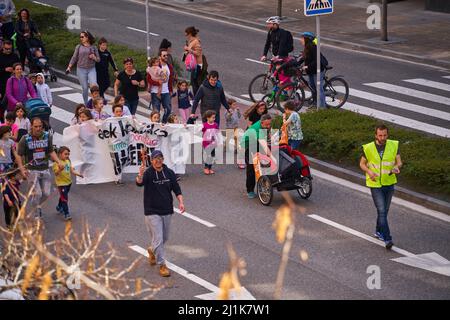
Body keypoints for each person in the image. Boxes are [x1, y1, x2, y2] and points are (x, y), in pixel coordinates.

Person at [136, 149, 185, 277]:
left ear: (163, 159)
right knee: (158, 238)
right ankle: (162, 265)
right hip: (152, 211)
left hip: (167, 209)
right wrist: (140, 175)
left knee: (164, 238)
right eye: (155, 159)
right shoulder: (148, 173)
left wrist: (181, 202)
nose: (158, 160)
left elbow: (176, 189)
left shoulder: (169, 173)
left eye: (160, 158)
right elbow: (139, 183)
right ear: (151, 161)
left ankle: (152, 250)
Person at [360, 125, 402, 250]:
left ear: (387, 135)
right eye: (380, 135)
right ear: (376, 135)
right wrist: (369, 172)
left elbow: (399, 161)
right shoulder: (368, 148)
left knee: (385, 211)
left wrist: (397, 167)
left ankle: (378, 231)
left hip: (389, 183)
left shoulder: (394, 145)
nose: (382, 137)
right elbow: (362, 164)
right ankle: (387, 238)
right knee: (382, 210)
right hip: (375, 184)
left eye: (384, 135)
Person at [18, 117, 63, 219]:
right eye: (36, 126)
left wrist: (59, 161)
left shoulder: (47, 136)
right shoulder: (25, 139)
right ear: (31, 126)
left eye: (40, 126)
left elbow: (51, 151)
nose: (38, 129)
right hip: (32, 170)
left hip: (45, 169)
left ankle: (37, 205)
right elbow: (18, 154)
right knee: (37, 193)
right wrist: (21, 169)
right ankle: (36, 212)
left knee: (46, 194)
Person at [240, 114, 273, 198]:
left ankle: (264, 185)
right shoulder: (256, 129)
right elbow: (264, 145)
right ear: (261, 123)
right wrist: (272, 156)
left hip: (257, 142)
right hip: (249, 145)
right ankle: (250, 190)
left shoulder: (264, 124)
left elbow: (268, 139)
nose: (268, 126)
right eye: (267, 125)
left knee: (265, 165)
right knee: (252, 168)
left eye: (270, 124)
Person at [66, 31, 100, 104]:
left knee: (94, 85)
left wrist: (94, 57)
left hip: (91, 69)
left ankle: (96, 102)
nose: (81, 38)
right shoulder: (79, 46)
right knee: (85, 88)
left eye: (82, 37)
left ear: (87, 37)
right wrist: (69, 67)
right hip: (81, 70)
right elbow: (74, 57)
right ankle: (86, 103)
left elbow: (98, 59)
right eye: (80, 37)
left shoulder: (93, 47)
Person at [53, 146, 83, 221]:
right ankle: (67, 214)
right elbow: (56, 173)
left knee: (63, 196)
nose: (67, 156)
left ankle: (59, 206)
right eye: (65, 154)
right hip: (61, 184)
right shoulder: (56, 163)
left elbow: (71, 171)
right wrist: (60, 169)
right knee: (65, 198)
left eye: (68, 154)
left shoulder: (68, 161)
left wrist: (79, 174)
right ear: (59, 154)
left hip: (68, 182)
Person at [298, 32, 327, 109]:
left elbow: (317, 60)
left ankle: (322, 107)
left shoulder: (314, 48)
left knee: (319, 89)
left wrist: (307, 66)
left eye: (302, 38)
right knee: (313, 87)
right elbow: (304, 58)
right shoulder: (307, 47)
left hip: (318, 70)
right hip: (311, 70)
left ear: (307, 39)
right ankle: (315, 103)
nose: (300, 40)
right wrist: (295, 63)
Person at [147, 50, 174, 123]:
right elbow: (149, 79)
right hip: (155, 92)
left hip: (166, 92)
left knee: (168, 109)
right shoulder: (155, 67)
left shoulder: (169, 67)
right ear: (160, 57)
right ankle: (156, 126)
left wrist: (171, 90)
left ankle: (163, 123)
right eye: (164, 55)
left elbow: (170, 80)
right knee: (156, 112)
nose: (166, 57)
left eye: (167, 55)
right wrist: (157, 82)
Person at [184, 26, 208, 96]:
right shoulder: (192, 41)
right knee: (195, 82)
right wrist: (187, 50)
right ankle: (198, 97)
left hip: (197, 65)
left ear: (190, 34)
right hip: (194, 64)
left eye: (186, 34)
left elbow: (198, 53)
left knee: (195, 83)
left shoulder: (196, 42)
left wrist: (189, 50)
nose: (186, 36)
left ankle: (197, 98)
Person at [0, 40, 19, 122]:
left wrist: (14, 70)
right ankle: (2, 123)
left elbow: (19, 66)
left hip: (13, 83)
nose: (8, 51)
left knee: (12, 105)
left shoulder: (14, 56)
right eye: (6, 49)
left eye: (10, 49)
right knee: (2, 105)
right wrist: (4, 69)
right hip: (2, 83)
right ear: (2, 47)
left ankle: (12, 122)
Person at [202, 110, 220, 175]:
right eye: (212, 117)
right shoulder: (204, 125)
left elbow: (217, 133)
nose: (214, 119)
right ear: (208, 118)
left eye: (214, 117)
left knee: (212, 156)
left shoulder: (215, 125)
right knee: (208, 156)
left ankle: (210, 168)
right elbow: (201, 131)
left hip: (213, 143)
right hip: (206, 144)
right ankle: (206, 168)